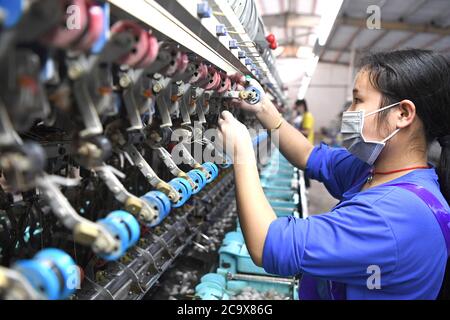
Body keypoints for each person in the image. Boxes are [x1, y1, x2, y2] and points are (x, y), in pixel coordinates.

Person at [218, 49, 450, 299]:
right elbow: (308, 154)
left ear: (402, 114)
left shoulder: (395, 216)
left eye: (358, 101)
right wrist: (262, 108)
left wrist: (242, 151)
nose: (347, 112)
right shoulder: (376, 169)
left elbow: (266, 243)